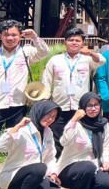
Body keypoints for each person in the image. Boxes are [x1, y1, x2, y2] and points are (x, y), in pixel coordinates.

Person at [0, 19, 50, 189]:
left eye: (14, 34)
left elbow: (44, 52)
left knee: (20, 145)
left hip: (17, 105)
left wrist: (35, 38)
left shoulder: (26, 52)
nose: (10, 38)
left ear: (20, 36)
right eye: (6, 34)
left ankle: (18, 181)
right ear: (0, 35)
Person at [0, 100, 61, 189]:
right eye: (48, 114)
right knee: (40, 168)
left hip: (35, 175)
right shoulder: (22, 130)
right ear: (39, 111)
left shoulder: (48, 132)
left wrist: (53, 173)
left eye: (54, 116)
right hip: (12, 177)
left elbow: (50, 156)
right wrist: (17, 127)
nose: (50, 119)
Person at [42, 27, 104, 156]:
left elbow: (102, 61)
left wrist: (90, 53)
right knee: (58, 139)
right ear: (65, 42)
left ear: (82, 43)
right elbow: (46, 81)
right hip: (59, 107)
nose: (74, 43)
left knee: (80, 138)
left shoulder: (87, 60)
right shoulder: (55, 60)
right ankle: (58, 164)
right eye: (71, 40)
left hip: (80, 108)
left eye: (77, 40)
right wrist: (45, 102)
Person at [56, 92, 109, 189]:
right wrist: (73, 120)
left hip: (92, 166)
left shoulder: (103, 124)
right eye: (89, 105)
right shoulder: (77, 124)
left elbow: (106, 145)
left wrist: (106, 161)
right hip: (70, 168)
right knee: (88, 166)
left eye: (96, 105)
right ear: (83, 107)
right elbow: (64, 141)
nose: (93, 108)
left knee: (108, 183)